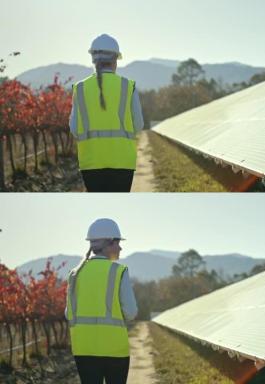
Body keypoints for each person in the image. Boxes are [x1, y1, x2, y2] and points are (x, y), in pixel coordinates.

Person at [65, 218, 138, 384]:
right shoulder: (118, 271)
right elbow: (131, 312)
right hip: (115, 350)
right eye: (118, 242)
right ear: (109, 244)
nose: (120, 247)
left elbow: (69, 313)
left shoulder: (74, 274)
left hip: (83, 350)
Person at [69, 34, 144, 192]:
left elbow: (74, 129)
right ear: (115, 59)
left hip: (91, 162)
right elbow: (138, 124)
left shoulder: (80, 88)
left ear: (93, 59)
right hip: (123, 161)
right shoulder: (128, 86)